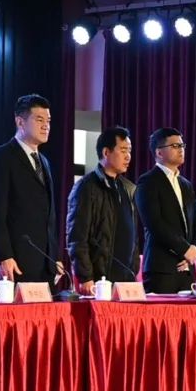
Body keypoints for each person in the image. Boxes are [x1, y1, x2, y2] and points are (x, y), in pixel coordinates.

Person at [0, 94, 61, 286]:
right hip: (15, 263)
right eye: (39, 120)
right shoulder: (1, 157)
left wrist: (54, 256)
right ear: (20, 122)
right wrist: (3, 256)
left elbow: (48, 215)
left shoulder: (44, 162)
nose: (46, 126)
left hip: (44, 263)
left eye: (48, 121)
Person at [66, 126, 141, 294]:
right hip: (100, 280)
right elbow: (77, 237)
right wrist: (85, 277)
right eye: (123, 150)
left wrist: (134, 267)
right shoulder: (86, 187)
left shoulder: (128, 188)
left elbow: (133, 235)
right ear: (106, 152)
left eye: (129, 150)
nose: (128, 156)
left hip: (127, 279)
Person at [135, 127, 196, 294]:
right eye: (175, 146)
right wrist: (184, 249)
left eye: (182, 145)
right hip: (162, 268)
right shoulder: (148, 181)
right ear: (159, 152)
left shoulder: (186, 184)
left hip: (187, 268)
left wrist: (195, 249)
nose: (181, 149)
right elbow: (154, 223)